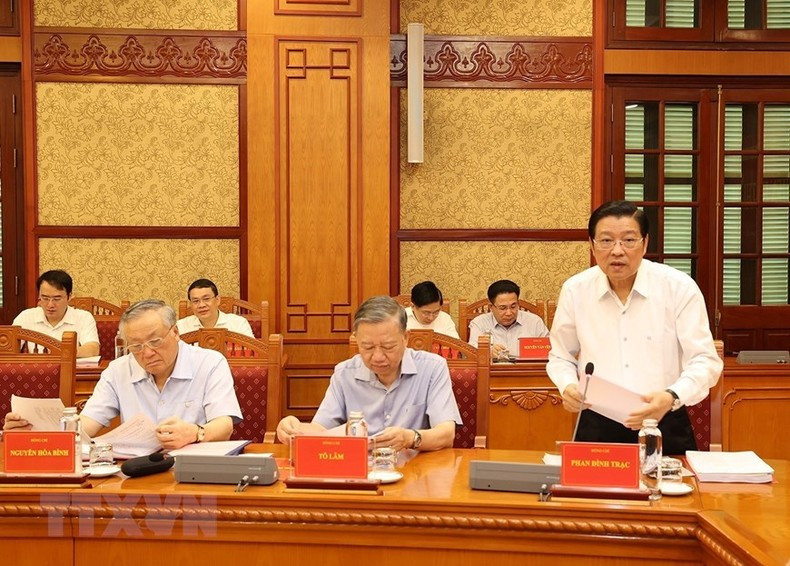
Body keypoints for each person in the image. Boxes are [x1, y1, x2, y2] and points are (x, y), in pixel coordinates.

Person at [546, 200, 723, 455]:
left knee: (670, 493)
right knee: (592, 494)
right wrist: (567, 386)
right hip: (597, 422)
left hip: (663, 419)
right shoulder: (576, 290)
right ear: (592, 245)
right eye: (606, 241)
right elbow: (560, 355)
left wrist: (671, 396)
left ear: (645, 243)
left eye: (628, 240)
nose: (617, 251)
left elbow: (706, 361)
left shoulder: (678, 287)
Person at [4, 299, 243, 451]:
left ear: (176, 332)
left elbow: (224, 424)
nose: (147, 353)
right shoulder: (118, 370)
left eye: (155, 341)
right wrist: (36, 432)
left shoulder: (210, 363)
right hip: (135, 475)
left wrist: (196, 433)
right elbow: (87, 424)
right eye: (136, 346)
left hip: (193, 472)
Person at [276, 296, 461, 451]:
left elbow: (446, 433)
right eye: (368, 347)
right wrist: (295, 428)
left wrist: (410, 438)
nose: (378, 357)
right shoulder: (344, 373)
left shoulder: (433, 368)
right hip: (356, 474)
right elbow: (322, 429)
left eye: (388, 347)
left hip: (416, 474)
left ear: (405, 338)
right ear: (356, 339)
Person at [13, 270, 100, 358]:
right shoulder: (25, 317)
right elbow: (8, 349)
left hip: (69, 370)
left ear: (69, 296)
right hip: (36, 370)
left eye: (57, 299)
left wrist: (60, 353)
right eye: (45, 298)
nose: (50, 305)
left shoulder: (83, 317)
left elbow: (93, 349)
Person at [467, 279, 549, 359]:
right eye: (503, 308)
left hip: (528, 371)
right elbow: (472, 352)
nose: (509, 313)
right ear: (491, 307)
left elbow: (551, 350)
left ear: (518, 303)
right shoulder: (479, 323)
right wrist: (488, 352)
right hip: (494, 371)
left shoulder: (534, 322)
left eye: (513, 306)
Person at [176, 279, 254, 338]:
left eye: (206, 299)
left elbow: (252, 353)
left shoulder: (238, 323)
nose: (201, 305)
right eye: (196, 301)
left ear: (217, 300)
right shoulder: (181, 326)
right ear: (191, 304)